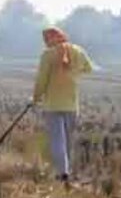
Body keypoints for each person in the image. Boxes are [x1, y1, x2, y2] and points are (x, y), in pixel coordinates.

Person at [32, 26, 94, 185]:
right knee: (67, 141)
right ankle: (65, 173)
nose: (45, 42)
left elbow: (42, 80)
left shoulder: (47, 55)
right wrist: (73, 75)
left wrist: (35, 98)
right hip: (71, 105)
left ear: (51, 38)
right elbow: (89, 68)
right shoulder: (78, 51)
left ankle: (62, 173)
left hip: (53, 105)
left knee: (57, 141)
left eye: (46, 39)